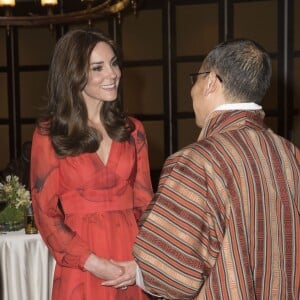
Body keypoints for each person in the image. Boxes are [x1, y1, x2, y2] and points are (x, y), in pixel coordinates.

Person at [102, 39, 300, 299]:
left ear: (211, 82)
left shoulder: (196, 161)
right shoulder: (289, 154)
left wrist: (142, 272)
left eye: (195, 80)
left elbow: (171, 275)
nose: (192, 91)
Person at [30, 29, 153, 300]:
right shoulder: (49, 134)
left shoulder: (133, 131)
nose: (112, 74)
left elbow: (146, 207)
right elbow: (45, 215)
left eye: (113, 63)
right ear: (73, 74)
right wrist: (94, 263)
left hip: (130, 263)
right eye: (98, 68)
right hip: (82, 264)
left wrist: (142, 265)